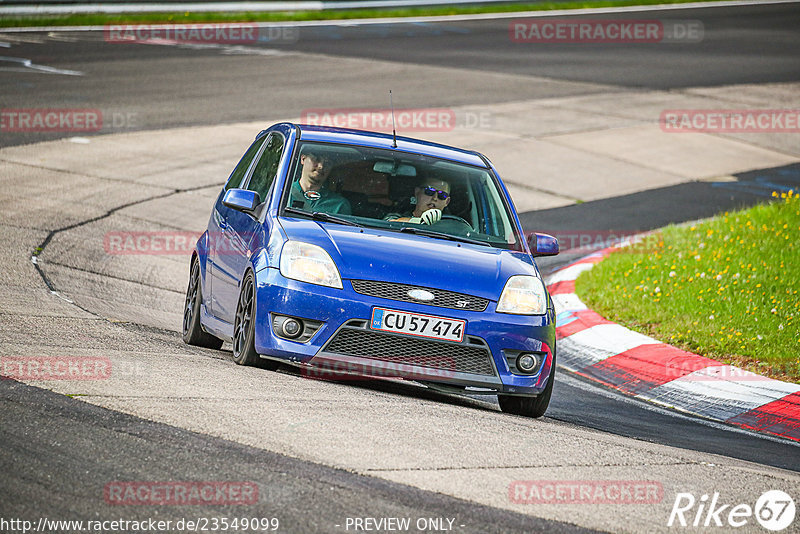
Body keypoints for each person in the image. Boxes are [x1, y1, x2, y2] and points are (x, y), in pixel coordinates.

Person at [289, 149, 351, 215]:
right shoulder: (283, 194)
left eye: (328, 163)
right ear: (303, 159)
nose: (321, 166)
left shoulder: (339, 205)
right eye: (317, 159)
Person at [385, 178, 451, 225]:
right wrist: (418, 221)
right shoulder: (399, 213)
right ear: (417, 192)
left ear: (447, 202)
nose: (435, 198)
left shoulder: (451, 225)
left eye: (442, 195)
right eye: (429, 191)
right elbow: (389, 223)